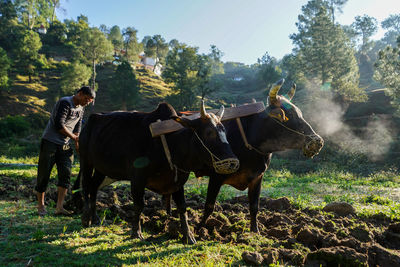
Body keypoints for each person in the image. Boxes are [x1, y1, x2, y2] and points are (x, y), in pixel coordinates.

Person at [35, 86, 95, 216]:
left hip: (65, 145)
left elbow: (78, 126)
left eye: (89, 101)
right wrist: (74, 137)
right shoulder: (65, 102)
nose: (87, 102)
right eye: (86, 99)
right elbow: (59, 125)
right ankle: (41, 206)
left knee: (66, 174)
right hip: (50, 142)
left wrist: (77, 141)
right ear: (79, 94)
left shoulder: (81, 108)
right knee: (44, 174)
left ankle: (59, 207)